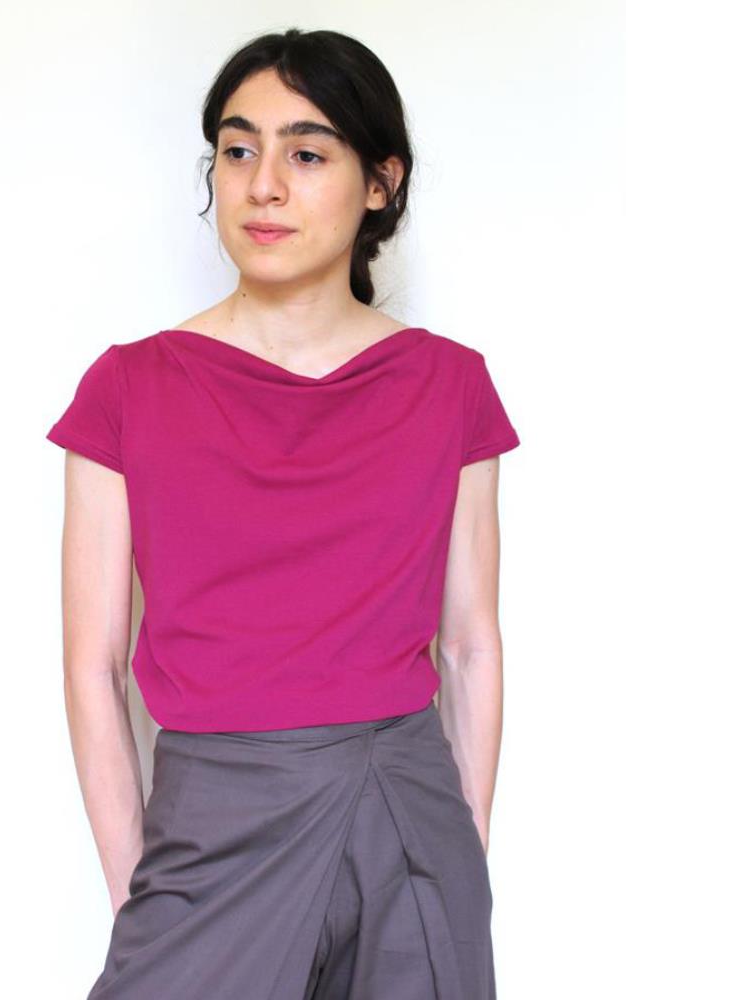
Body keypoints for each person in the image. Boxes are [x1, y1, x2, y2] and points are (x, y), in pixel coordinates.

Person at [46, 27, 520, 1000]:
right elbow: (94, 665)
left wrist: (458, 864)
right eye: (237, 149)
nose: (263, 185)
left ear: (380, 182)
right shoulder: (129, 388)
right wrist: (141, 891)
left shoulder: (449, 386)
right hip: (212, 820)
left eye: (306, 154)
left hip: (405, 813)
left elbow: (470, 646)